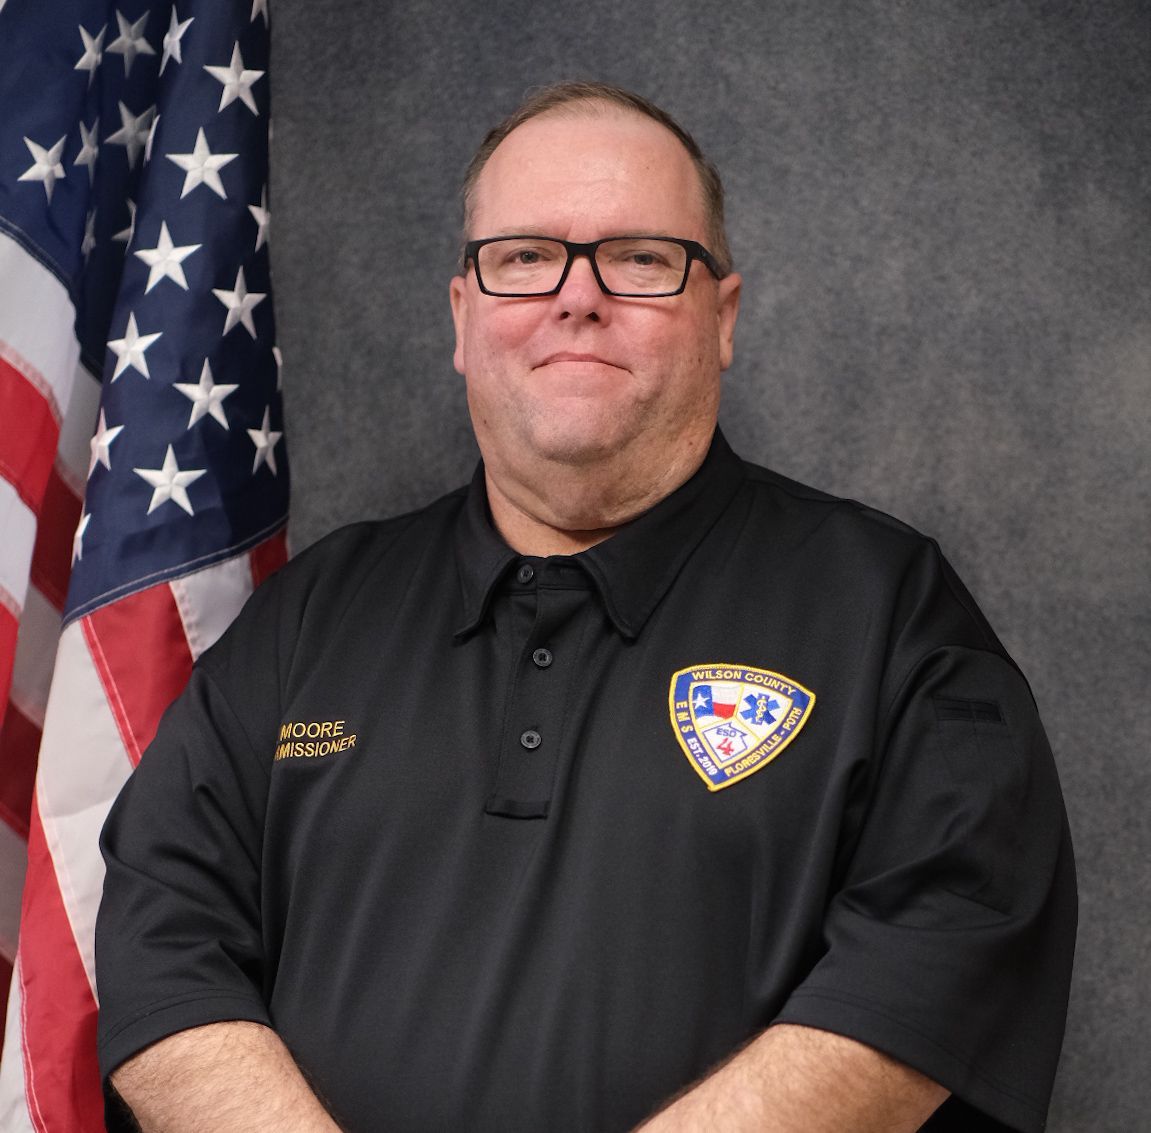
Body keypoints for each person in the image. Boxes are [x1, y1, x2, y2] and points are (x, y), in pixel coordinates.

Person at [96, 81, 1076, 1133]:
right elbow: (164, 945)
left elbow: (931, 970)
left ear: (722, 316)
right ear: (462, 316)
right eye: (524, 256)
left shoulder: (888, 612)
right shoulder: (308, 618)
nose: (577, 296)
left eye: (640, 258)